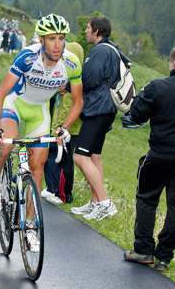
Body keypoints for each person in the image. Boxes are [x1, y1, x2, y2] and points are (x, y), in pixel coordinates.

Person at [0, 13, 83, 216]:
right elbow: (0, 92)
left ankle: (30, 224)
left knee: (37, 167)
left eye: (61, 38)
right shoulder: (27, 57)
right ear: (41, 40)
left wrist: (65, 127)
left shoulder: (71, 63)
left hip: (39, 111)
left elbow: (78, 102)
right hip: (15, 104)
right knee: (6, 145)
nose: (58, 45)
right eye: (52, 38)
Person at [123, 44, 175, 272]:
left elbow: (137, 114)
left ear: (172, 62)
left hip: (160, 154)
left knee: (147, 198)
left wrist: (142, 94)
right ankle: (164, 257)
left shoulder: (158, 87)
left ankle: (143, 249)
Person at [71, 15, 129, 220]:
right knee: (94, 156)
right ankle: (95, 203)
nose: (86, 31)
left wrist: (69, 86)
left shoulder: (100, 51)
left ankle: (105, 202)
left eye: (88, 28)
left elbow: (88, 78)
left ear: (96, 31)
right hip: (106, 109)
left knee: (80, 156)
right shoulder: (112, 49)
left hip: (97, 109)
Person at [42, 41, 84, 204]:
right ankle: (53, 188)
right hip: (57, 126)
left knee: (64, 161)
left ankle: (64, 194)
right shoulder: (63, 78)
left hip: (67, 128)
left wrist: (63, 127)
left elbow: (71, 108)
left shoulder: (75, 84)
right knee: (54, 157)